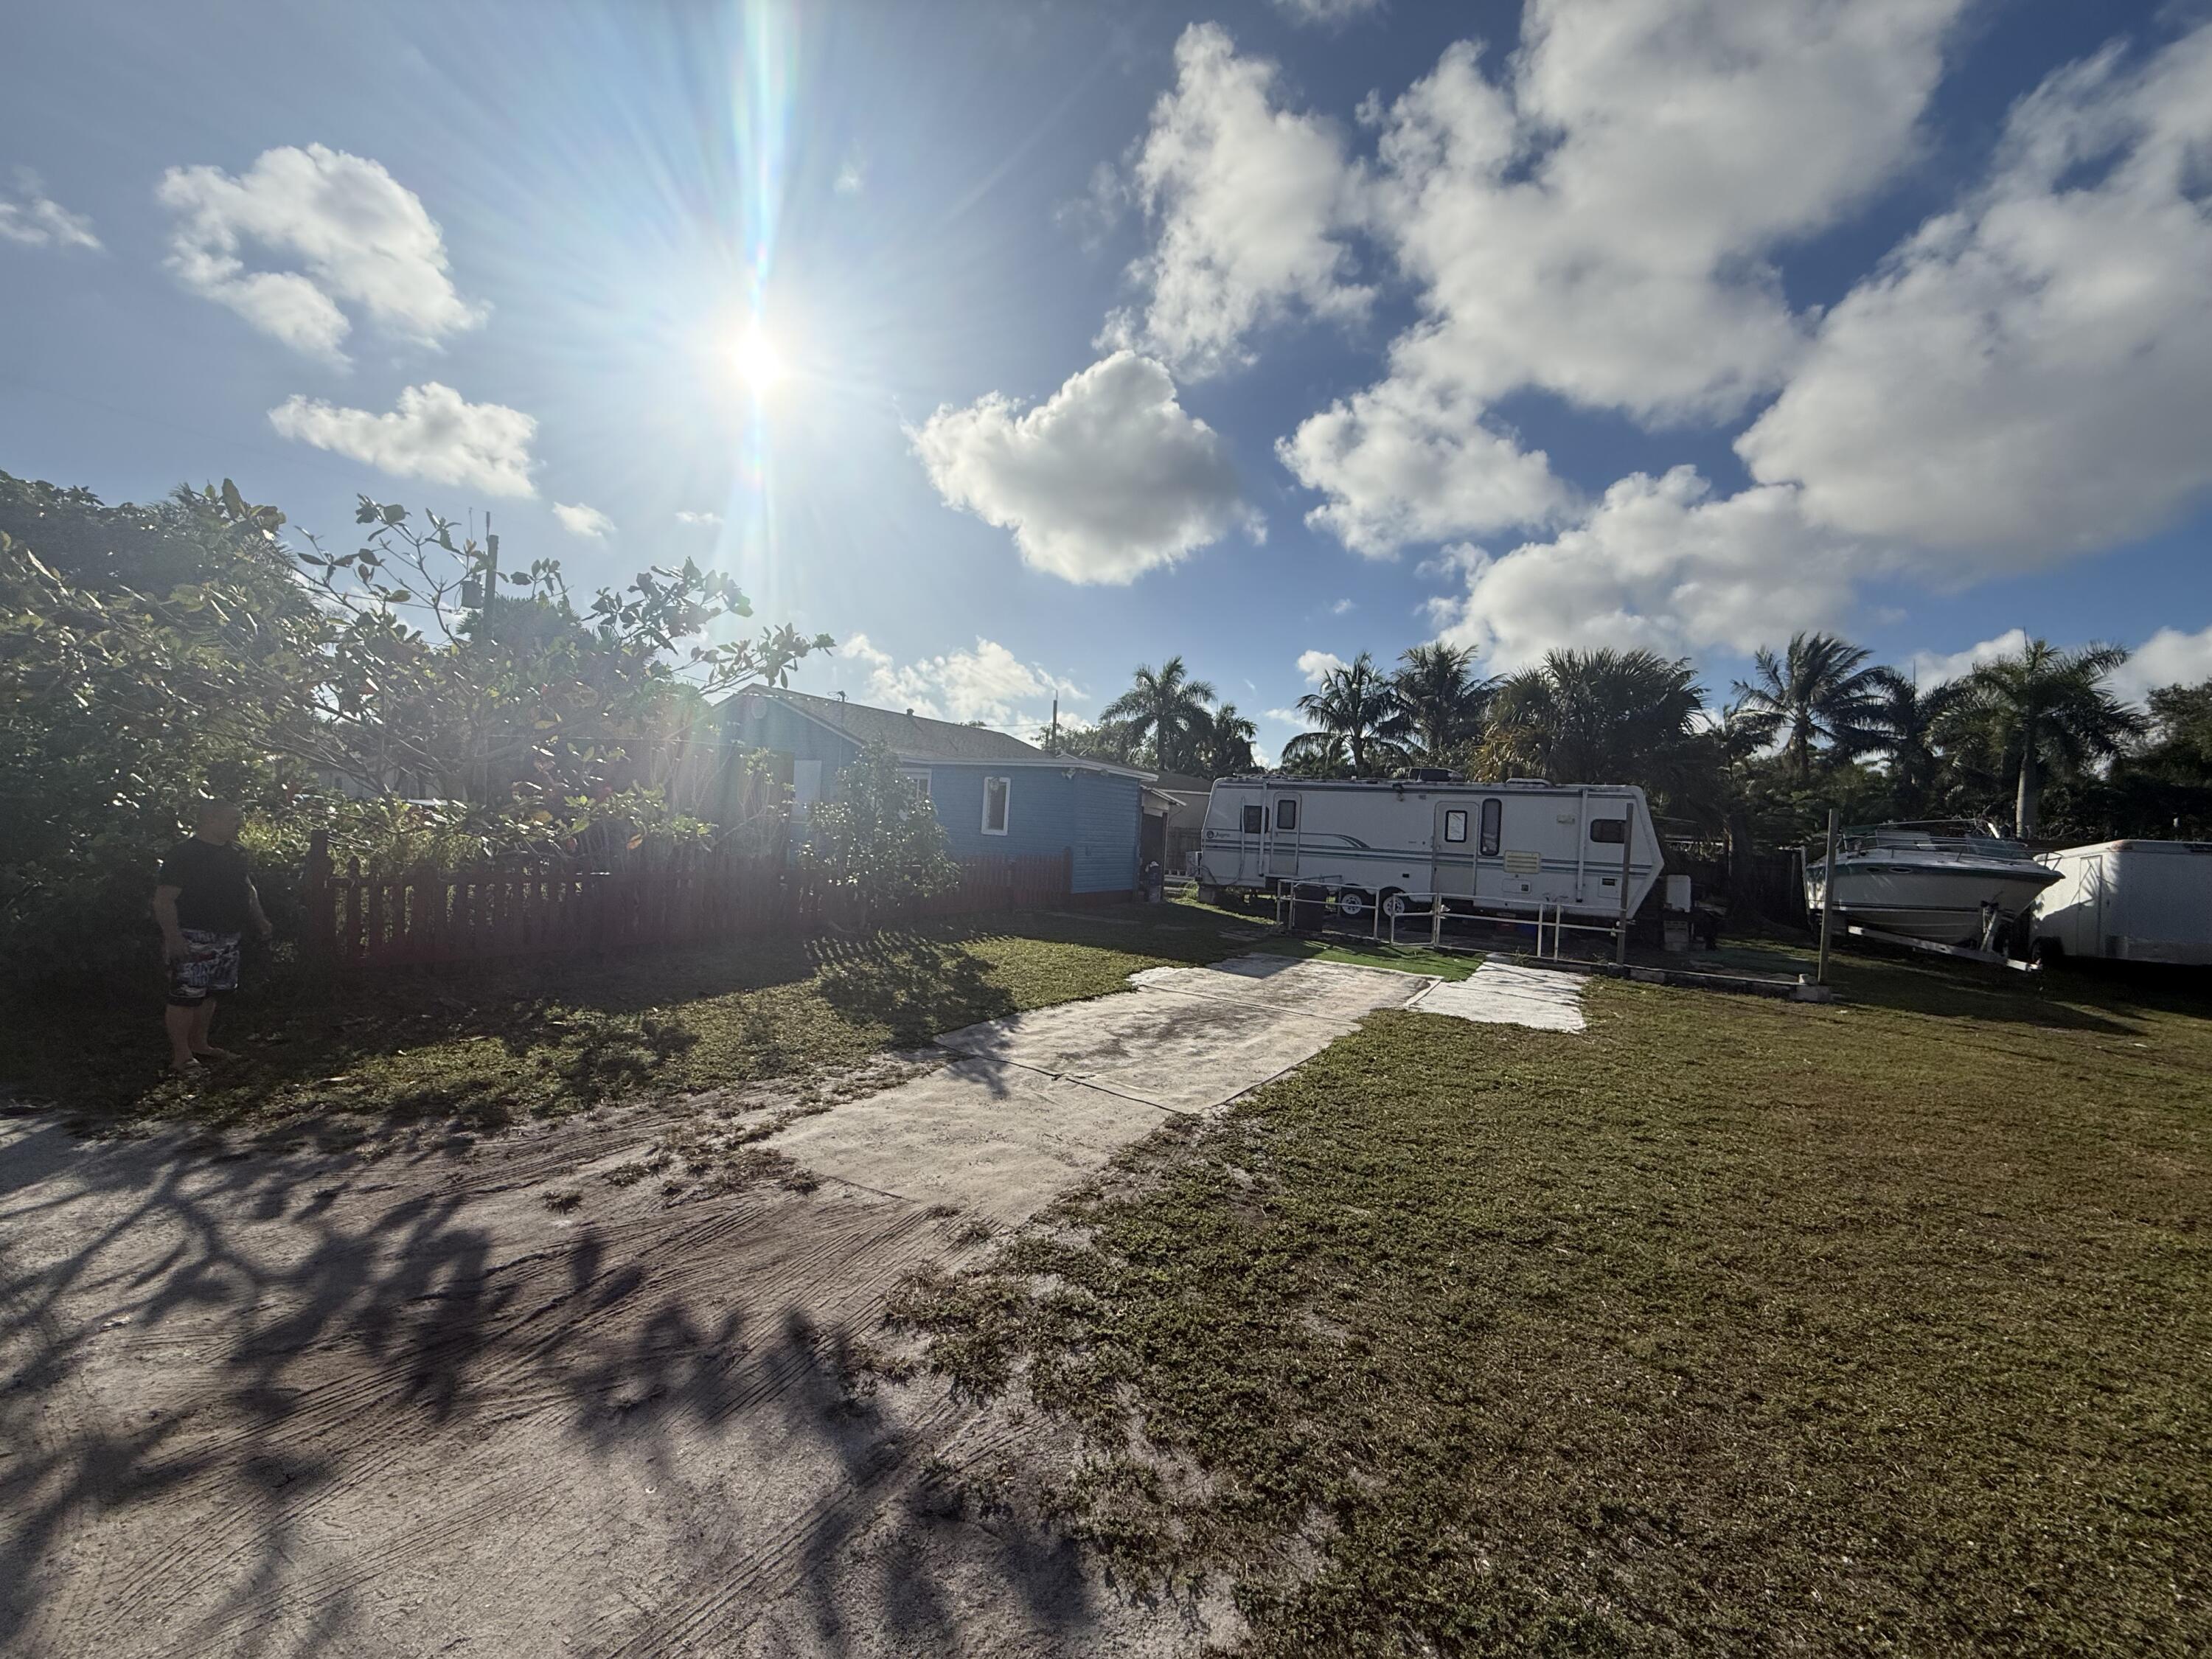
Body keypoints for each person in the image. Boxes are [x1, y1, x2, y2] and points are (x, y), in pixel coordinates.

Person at [153, 801, 272, 1074]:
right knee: (185, 995)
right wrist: (173, 938)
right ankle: (181, 1056)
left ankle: (200, 1044)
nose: (237, 824)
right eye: (231, 819)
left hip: (228, 934)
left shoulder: (237, 853)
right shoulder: (184, 855)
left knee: (212, 993)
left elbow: (247, 888)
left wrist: (261, 919)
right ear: (210, 820)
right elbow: (163, 901)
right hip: (193, 934)